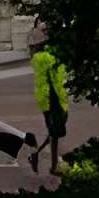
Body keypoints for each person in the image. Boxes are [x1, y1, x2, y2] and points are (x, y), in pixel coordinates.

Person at [31, 30, 70, 173]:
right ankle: (51, 164)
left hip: (46, 100)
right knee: (55, 134)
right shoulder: (51, 57)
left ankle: (40, 157)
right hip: (54, 100)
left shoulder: (38, 57)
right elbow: (56, 80)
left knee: (54, 133)